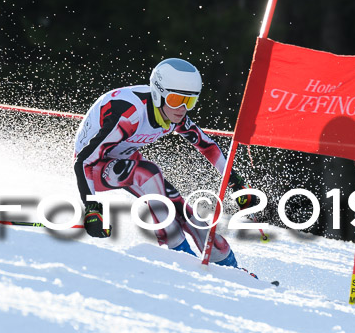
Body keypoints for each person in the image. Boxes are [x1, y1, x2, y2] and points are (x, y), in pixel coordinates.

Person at [73, 58, 258, 267]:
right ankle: (182, 258)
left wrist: (235, 181)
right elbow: (83, 162)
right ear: (158, 94)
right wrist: (92, 209)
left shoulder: (172, 114)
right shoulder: (128, 114)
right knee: (149, 174)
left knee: (188, 215)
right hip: (94, 167)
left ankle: (230, 267)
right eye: (176, 99)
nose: (182, 108)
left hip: (126, 160)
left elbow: (208, 146)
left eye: (189, 101)